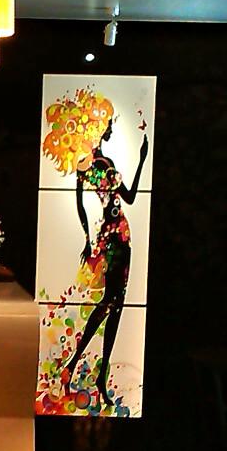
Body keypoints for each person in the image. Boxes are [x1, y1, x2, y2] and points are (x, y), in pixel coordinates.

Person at [62, 112, 149, 407]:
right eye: (108, 124)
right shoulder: (98, 165)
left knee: (114, 304)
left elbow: (127, 197)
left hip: (114, 236)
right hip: (115, 238)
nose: (111, 129)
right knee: (111, 303)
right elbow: (120, 198)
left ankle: (89, 371)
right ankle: (79, 366)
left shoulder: (91, 166)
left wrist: (142, 160)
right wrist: (88, 239)